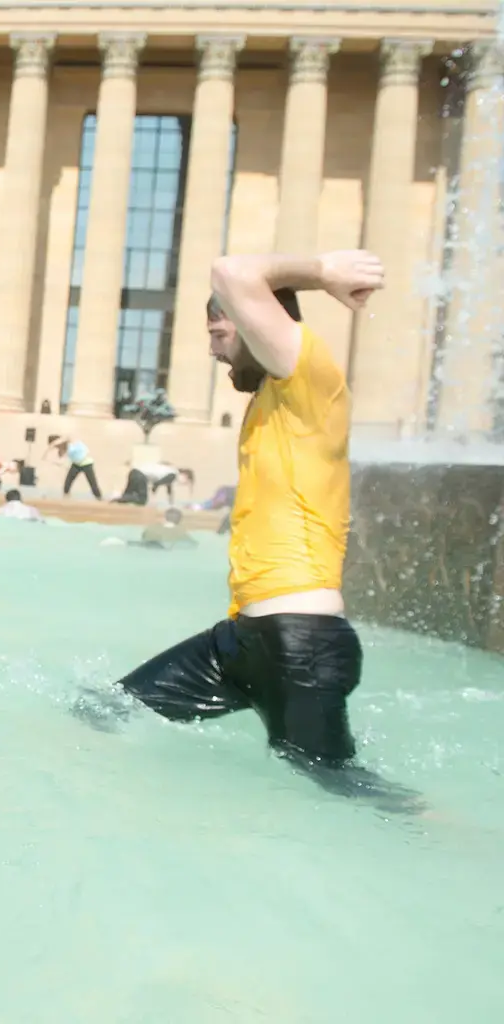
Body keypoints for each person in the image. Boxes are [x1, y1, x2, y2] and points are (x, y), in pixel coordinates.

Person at [80, 249, 420, 810]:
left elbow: (234, 271)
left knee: (345, 792)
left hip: (301, 645)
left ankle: (450, 835)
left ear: (258, 325)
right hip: (241, 642)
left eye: (219, 330)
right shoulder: (269, 401)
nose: (212, 347)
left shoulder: (308, 379)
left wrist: (323, 272)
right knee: (106, 708)